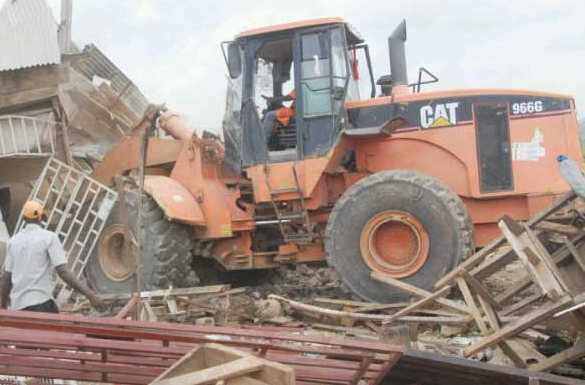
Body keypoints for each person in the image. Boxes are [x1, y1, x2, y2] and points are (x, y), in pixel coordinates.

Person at [0, 201, 106, 313]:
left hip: (18, 308)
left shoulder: (13, 242)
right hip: (41, 303)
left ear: (23, 218)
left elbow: (7, 278)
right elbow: (63, 272)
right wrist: (91, 295)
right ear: (41, 217)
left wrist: (2, 307)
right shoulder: (49, 238)